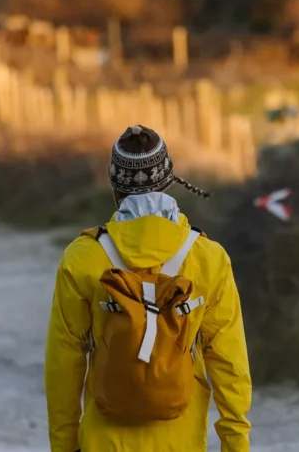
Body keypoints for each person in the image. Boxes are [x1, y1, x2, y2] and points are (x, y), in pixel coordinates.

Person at [45, 124, 252, 452]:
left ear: (116, 187)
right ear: (168, 182)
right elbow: (230, 362)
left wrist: (64, 445)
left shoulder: (82, 257)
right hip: (181, 441)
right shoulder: (208, 258)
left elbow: (63, 364)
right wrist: (235, 444)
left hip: (104, 442)